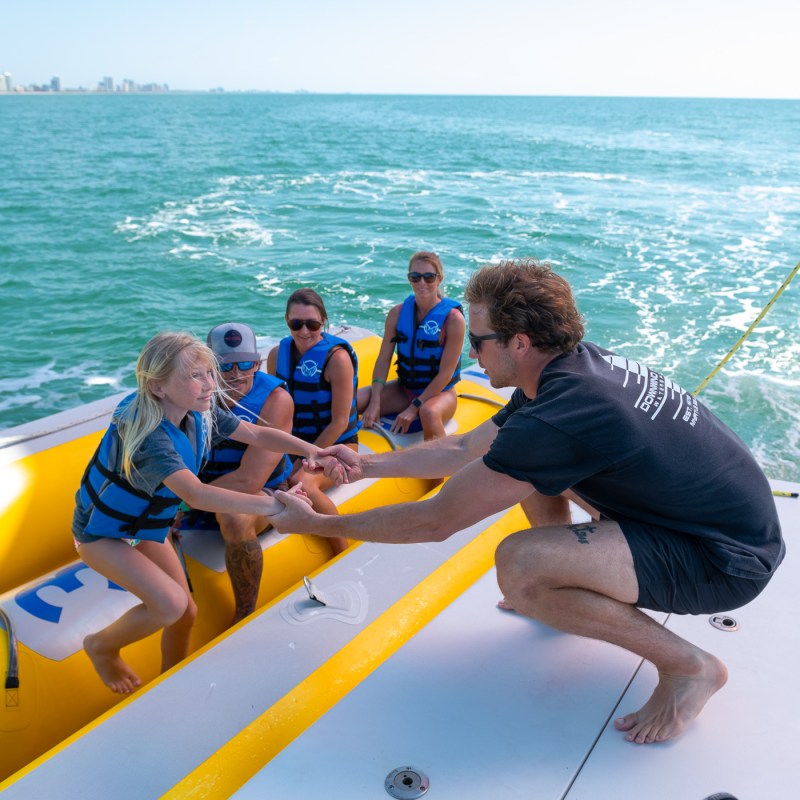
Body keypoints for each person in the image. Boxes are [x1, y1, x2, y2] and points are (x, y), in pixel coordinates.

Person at [271, 258, 785, 746]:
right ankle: (559, 587)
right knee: (531, 473)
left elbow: (435, 521)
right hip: (712, 521)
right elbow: (465, 448)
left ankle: (689, 667)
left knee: (519, 565)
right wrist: (367, 464)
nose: (471, 354)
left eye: (478, 341)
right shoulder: (570, 370)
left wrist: (313, 524)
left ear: (519, 342)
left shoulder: (561, 415)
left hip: (724, 560)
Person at [73, 332, 342, 694]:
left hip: (146, 525)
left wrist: (314, 452)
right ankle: (100, 646)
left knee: (187, 614)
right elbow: (195, 495)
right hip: (103, 534)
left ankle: (168, 684)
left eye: (208, 374)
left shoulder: (197, 412)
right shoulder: (150, 438)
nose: (210, 385)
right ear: (157, 387)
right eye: (194, 376)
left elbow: (257, 435)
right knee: (170, 605)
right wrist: (277, 506)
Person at [188, 322, 295, 625]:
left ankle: (245, 613)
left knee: (234, 518)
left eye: (245, 364)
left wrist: (183, 502)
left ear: (257, 363)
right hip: (201, 492)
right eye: (225, 366)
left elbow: (250, 481)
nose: (236, 374)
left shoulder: (276, 400)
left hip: (263, 494)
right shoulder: (192, 395)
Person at [266, 288, 361, 555]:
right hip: (294, 442)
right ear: (287, 321)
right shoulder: (276, 355)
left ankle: (341, 550)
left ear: (323, 322)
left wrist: (305, 457)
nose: (304, 331)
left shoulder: (337, 359)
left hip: (337, 445)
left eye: (313, 324)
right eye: (296, 324)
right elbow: (274, 409)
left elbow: (339, 422)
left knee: (301, 481)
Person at [357, 251, 466, 440]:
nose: (422, 282)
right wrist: (375, 402)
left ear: (439, 279)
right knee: (353, 401)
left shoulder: (453, 319)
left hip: (440, 394)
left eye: (429, 277)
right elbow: (383, 360)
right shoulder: (397, 314)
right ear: (409, 279)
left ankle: (443, 457)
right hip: (404, 389)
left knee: (428, 412)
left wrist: (414, 407)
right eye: (415, 277)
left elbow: (445, 375)